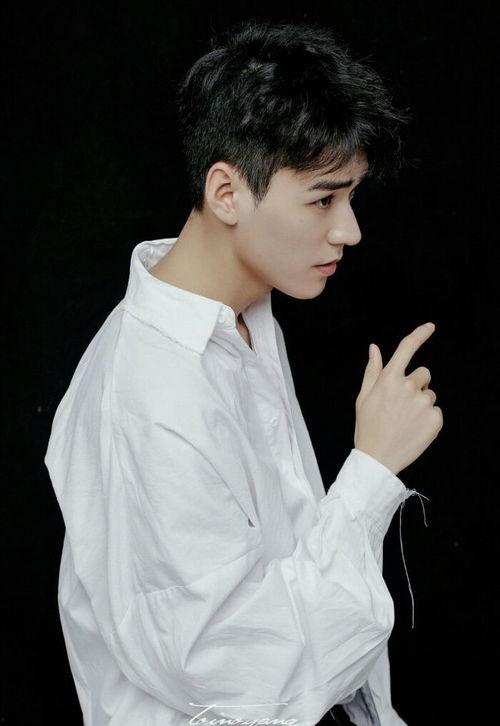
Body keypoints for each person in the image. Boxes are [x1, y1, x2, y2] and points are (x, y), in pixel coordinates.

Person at [44, 19, 443, 726]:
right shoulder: (150, 397)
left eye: (351, 197)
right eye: (323, 199)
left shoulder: (243, 314)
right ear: (226, 193)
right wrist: (372, 471)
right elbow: (244, 678)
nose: (349, 230)